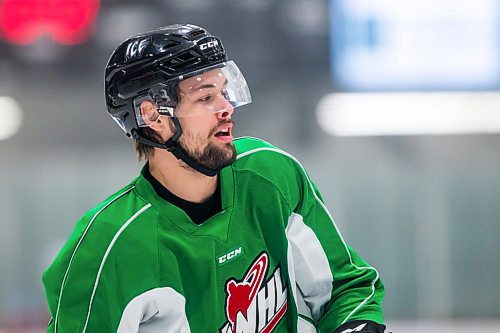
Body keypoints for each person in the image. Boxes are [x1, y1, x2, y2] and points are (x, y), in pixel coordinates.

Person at [42, 24, 386, 333]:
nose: (227, 107)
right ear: (152, 115)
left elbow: (345, 289)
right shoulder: (107, 245)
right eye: (206, 97)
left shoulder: (271, 175)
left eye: (224, 91)